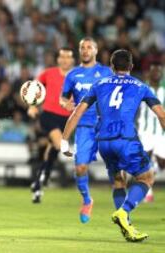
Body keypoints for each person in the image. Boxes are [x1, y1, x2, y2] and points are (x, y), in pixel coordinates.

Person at [61, 49, 165, 242]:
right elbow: (161, 114)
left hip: (104, 142)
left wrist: (64, 140)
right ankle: (124, 212)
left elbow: (77, 113)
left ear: (111, 66)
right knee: (147, 178)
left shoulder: (99, 84)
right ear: (131, 67)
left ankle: (127, 225)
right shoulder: (140, 86)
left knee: (119, 181)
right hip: (125, 140)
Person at [60, 37, 113, 223]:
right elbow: (63, 98)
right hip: (83, 126)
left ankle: (125, 208)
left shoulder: (106, 72)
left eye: (89, 47)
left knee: (118, 168)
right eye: (82, 47)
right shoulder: (73, 75)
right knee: (81, 167)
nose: (85, 50)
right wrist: (65, 104)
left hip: (106, 126)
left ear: (96, 50)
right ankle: (87, 200)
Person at [27, 47, 75, 203]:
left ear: (72, 60)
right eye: (63, 57)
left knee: (52, 150)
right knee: (59, 143)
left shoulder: (78, 76)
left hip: (67, 120)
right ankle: (44, 178)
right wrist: (33, 105)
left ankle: (39, 183)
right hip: (49, 116)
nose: (65, 60)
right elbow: (35, 88)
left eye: (68, 57)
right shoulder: (49, 73)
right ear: (58, 59)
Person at [137, 62, 165, 202]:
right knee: (145, 160)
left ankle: (148, 176)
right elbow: (135, 108)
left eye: (159, 71)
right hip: (145, 131)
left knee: (162, 163)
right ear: (150, 73)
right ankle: (147, 191)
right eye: (154, 71)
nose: (157, 74)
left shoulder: (164, 89)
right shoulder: (142, 88)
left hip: (161, 132)